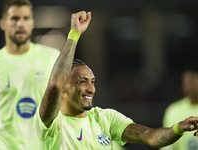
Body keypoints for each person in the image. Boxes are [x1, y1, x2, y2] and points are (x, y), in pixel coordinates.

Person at [33, 11, 198, 150]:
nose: (91, 88)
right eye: (82, 82)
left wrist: (179, 128)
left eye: (93, 81)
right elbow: (54, 84)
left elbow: (150, 136)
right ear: (64, 88)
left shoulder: (105, 119)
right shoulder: (52, 124)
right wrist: (74, 34)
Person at [0, 0, 59, 150]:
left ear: (32, 23)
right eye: (14, 19)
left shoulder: (52, 58)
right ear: (2, 24)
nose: (20, 24)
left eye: (25, 19)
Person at [160, 63, 198, 150]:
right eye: (185, 82)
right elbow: (167, 145)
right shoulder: (173, 110)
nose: (188, 86)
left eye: (192, 81)